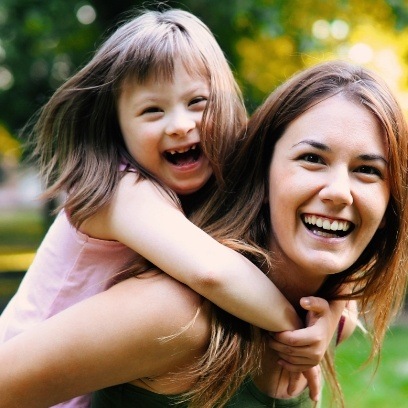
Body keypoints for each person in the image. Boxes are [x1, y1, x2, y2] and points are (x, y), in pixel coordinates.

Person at [1, 60, 405, 408]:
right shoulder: (175, 316)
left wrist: (326, 314)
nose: (338, 192)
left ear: (390, 206)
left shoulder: (327, 321)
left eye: (368, 170)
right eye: (312, 159)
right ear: (262, 173)